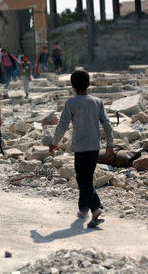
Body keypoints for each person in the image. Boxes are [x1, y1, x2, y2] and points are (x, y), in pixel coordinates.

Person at [49, 70, 114, 228]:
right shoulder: (97, 102)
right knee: (85, 178)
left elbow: (62, 125)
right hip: (94, 147)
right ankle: (83, 209)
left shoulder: (71, 103)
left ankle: (96, 207)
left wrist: (54, 142)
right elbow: (107, 124)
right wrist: (110, 144)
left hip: (80, 147)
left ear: (72, 86)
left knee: (83, 179)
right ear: (88, 84)